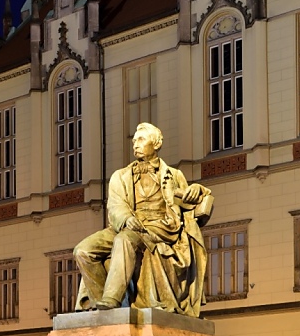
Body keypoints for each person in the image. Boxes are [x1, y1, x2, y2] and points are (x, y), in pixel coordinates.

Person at [73, 122, 212, 314]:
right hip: (124, 225)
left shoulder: (174, 174)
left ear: (156, 144)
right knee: (82, 250)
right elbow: (115, 205)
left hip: (159, 227)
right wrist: (126, 218)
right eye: (134, 140)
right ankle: (101, 305)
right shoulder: (120, 176)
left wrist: (198, 190)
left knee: (125, 240)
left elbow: (191, 207)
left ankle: (111, 298)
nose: (135, 144)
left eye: (141, 140)